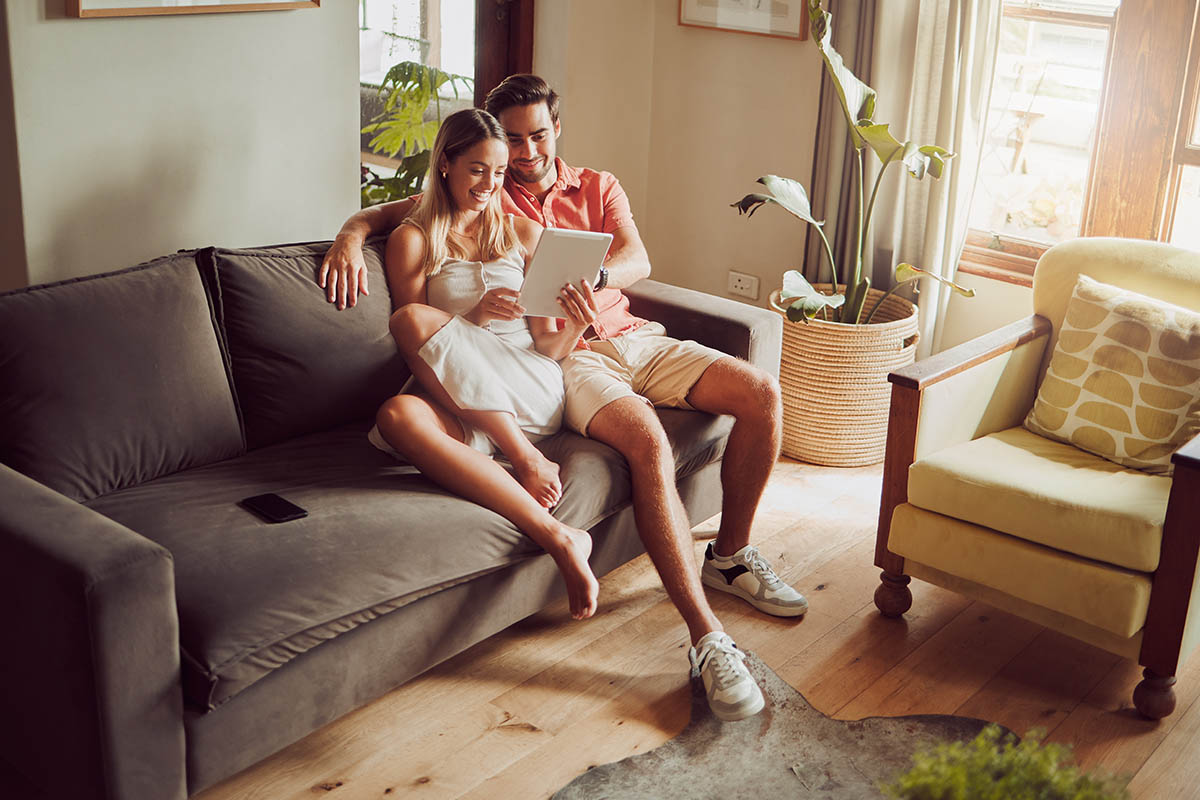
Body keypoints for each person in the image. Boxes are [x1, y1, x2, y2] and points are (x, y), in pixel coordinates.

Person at [321, 75, 806, 722]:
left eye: (526, 145)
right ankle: (569, 540)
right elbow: (415, 299)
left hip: (572, 358)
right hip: (504, 374)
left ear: (556, 131)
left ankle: (726, 563)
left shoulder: (541, 217)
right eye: (496, 155)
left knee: (759, 392)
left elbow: (586, 306)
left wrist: (581, 306)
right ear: (455, 161)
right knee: (401, 409)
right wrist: (353, 235)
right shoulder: (438, 221)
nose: (510, 166)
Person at [370, 107, 601, 621]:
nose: (489, 184)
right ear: (445, 164)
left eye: (498, 172)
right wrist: (474, 315)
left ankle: (524, 457)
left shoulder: (523, 233)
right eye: (477, 170)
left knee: (411, 320)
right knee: (396, 415)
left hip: (528, 386)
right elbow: (419, 346)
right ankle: (559, 536)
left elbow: (549, 347)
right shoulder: (414, 239)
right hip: (463, 398)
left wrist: (577, 325)